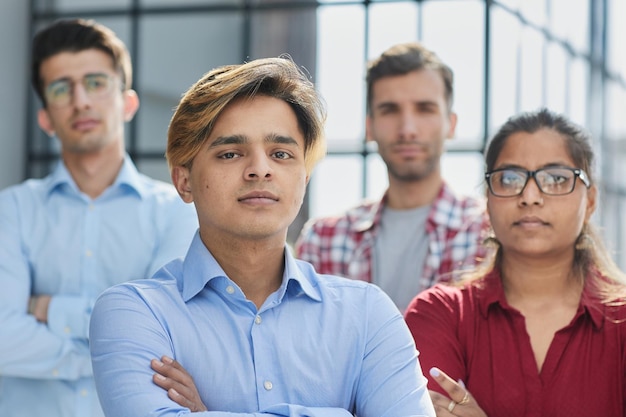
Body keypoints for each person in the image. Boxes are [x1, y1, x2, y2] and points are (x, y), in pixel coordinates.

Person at [89, 56, 436, 417]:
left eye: (281, 153)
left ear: (304, 179)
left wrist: (208, 414)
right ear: (184, 181)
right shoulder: (136, 312)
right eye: (231, 153)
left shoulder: (367, 314)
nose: (259, 169)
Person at [0, 19, 198, 417]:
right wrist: (108, 355)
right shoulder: (12, 209)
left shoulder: (177, 211)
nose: (81, 101)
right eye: (61, 89)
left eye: (95, 83)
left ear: (127, 103)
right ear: (45, 118)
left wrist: (47, 309)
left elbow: (168, 334)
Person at [404, 108, 626, 416]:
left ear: (589, 202)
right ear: (488, 199)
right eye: (509, 179)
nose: (530, 196)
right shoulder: (441, 314)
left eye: (557, 178)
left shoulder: (622, 322)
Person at [294, 42, 490, 312]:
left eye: (425, 109)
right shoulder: (324, 239)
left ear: (451, 124)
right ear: (369, 126)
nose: (407, 129)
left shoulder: (487, 232)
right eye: (390, 110)